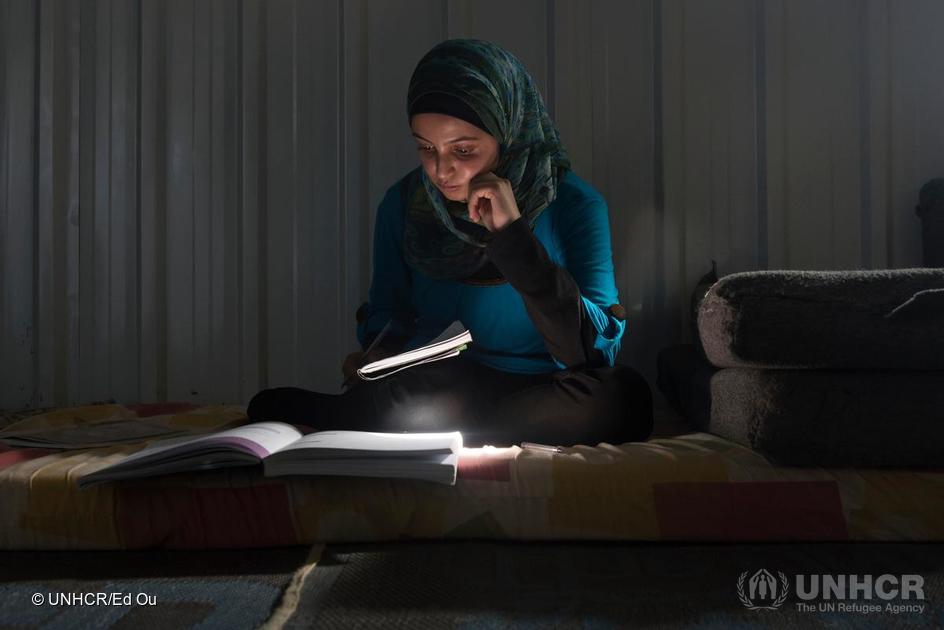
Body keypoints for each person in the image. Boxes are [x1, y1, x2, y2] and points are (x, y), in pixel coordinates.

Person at [247, 39, 653, 447]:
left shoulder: (574, 206)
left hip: (550, 389)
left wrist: (513, 236)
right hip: (450, 389)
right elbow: (391, 313)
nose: (442, 170)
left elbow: (594, 353)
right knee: (416, 402)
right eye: (426, 148)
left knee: (622, 398)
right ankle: (413, 419)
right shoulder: (405, 205)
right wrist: (376, 356)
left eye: (463, 149)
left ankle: (390, 422)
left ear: (508, 132)